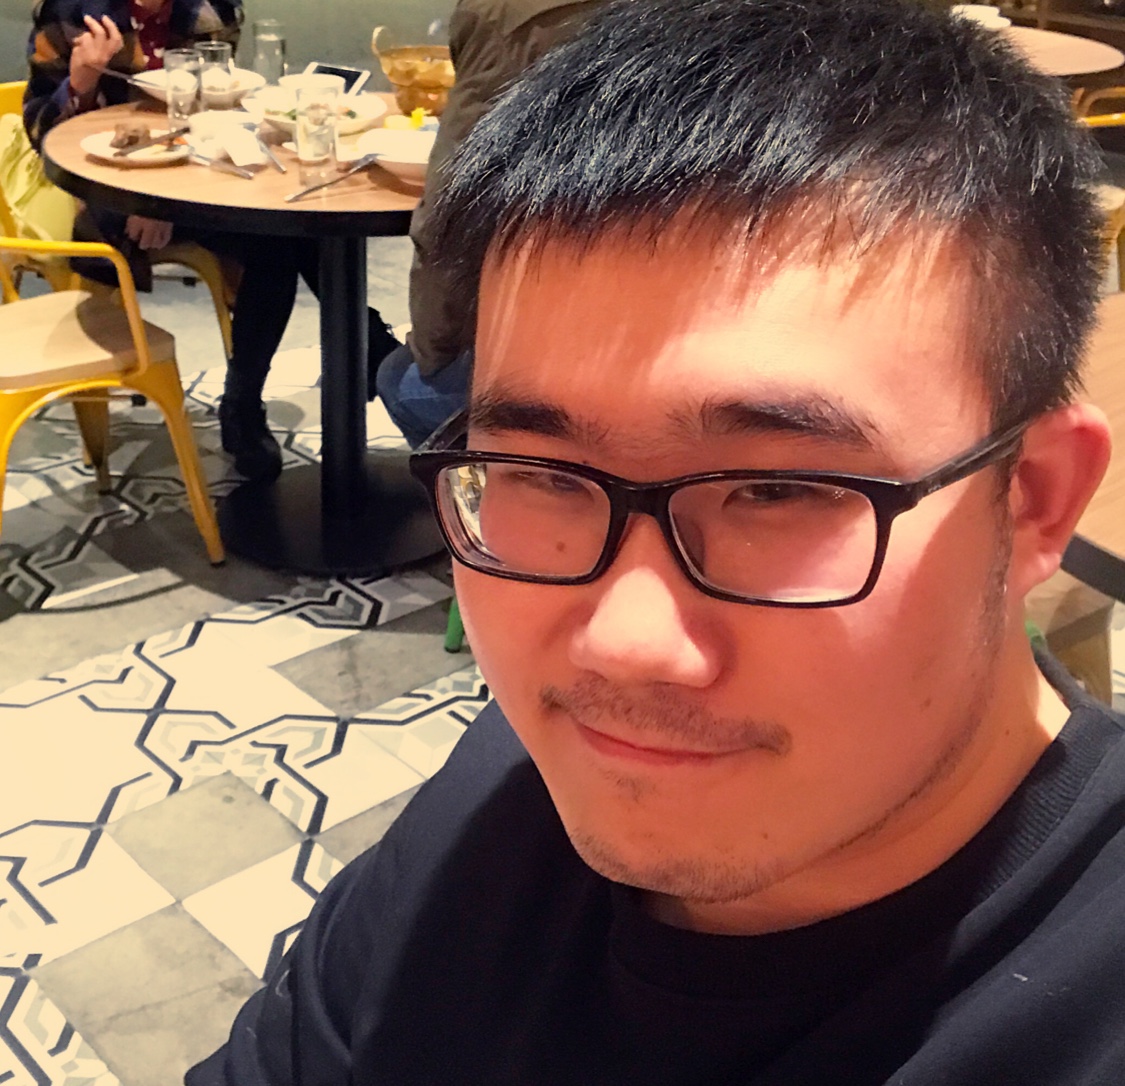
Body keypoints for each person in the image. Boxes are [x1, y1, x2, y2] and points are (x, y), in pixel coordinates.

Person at [189, 0, 1125, 1081]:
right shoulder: (503, 798)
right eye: (543, 475)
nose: (620, 646)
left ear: (1033, 498)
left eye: (775, 490)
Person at [24, 0, 400, 481]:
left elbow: (220, 111)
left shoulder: (209, 10)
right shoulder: (73, 12)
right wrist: (81, 82)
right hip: (111, 187)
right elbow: (41, 131)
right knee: (279, 241)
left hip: (197, 172)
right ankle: (366, 346)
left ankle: (245, 401)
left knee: (279, 238)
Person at [376, 0, 607, 447]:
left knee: (405, 382)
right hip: (699, 325)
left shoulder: (507, 16)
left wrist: (434, 353)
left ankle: (508, 484)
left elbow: (450, 213)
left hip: (580, 343)